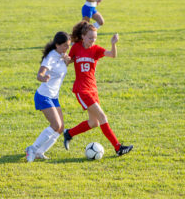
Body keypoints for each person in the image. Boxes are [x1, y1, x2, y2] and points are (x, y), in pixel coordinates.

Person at [63, 21, 133, 156]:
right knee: (102, 116)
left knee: (93, 122)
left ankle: (69, 133)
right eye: (90, 38)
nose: (92, 41)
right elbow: (68, 61)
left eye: (95, 38)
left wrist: (113, 43)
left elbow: (112, 55)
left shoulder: (96, 49)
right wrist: (65, 58)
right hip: (81, 90)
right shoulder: (76, 47)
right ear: (83, 36)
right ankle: (118, 148)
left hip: (93, 89)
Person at [25, 31, 71, 162]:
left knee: (60, 128)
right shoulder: (50, 57)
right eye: (64, 46)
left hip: (53, 97)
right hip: (43, 96)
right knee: (55, 124)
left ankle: (40, 152)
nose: (67, 48)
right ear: (57, 45)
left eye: (68, 45)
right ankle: (32, 149)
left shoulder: (61, 55)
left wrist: (67, 61)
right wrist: (43, 77)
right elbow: (40, 73)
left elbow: (60, 68)